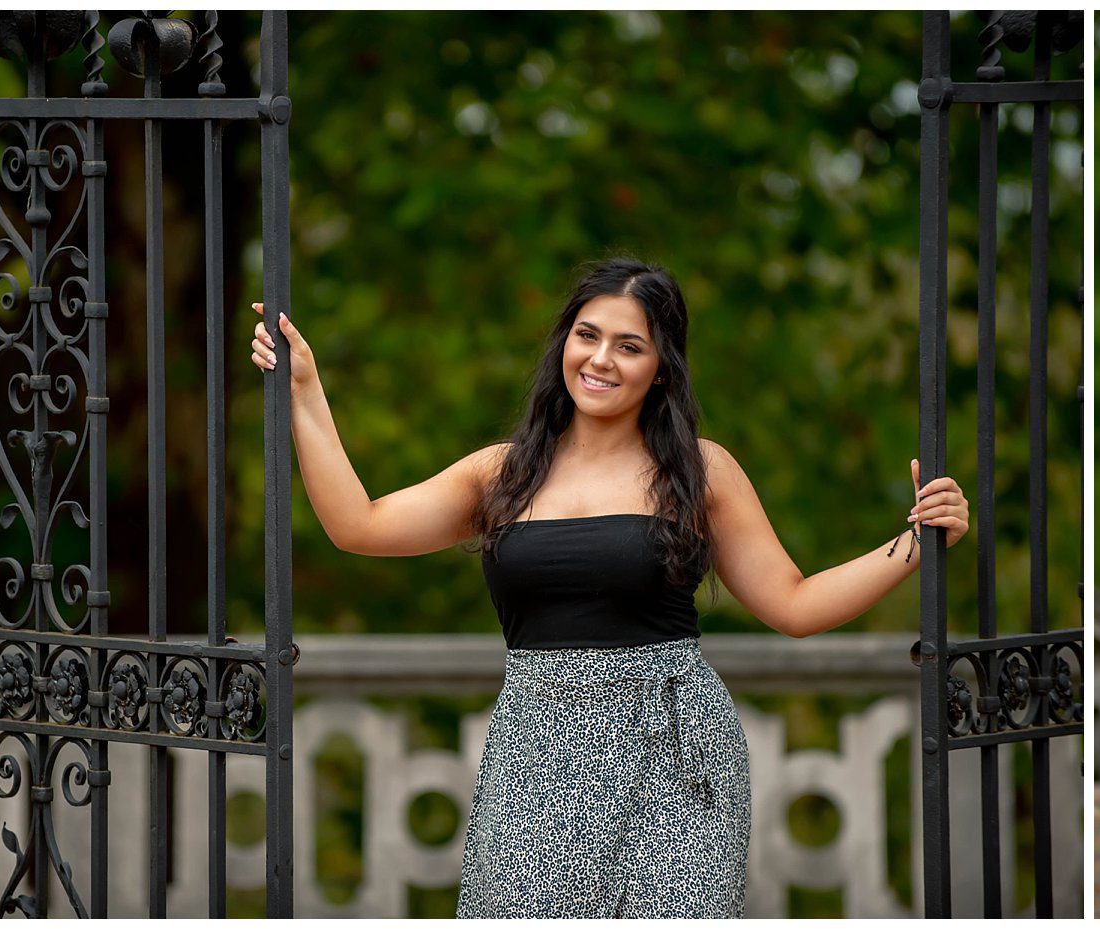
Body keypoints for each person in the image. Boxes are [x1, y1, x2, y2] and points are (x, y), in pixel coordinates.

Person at [248, 257, 970, 917]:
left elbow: (796, 604)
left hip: (678, 761)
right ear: (563, 341)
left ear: (661, 367)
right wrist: (306, 391)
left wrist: (915, 542)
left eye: (630, 345)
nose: (601, 358)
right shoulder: (503, 473)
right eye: (587, 335)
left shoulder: (700, 469)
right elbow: (358, 523)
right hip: (538, 757)